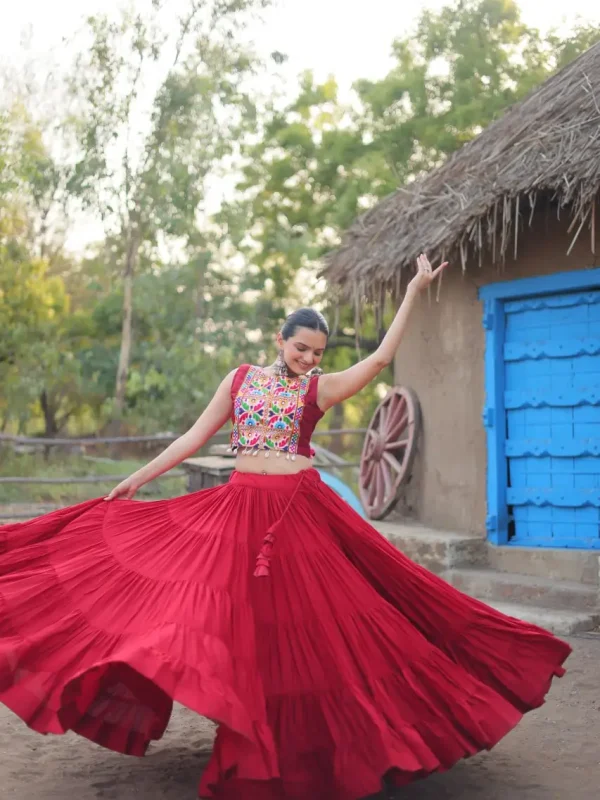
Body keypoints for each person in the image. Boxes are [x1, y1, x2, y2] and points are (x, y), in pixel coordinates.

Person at [0, 254, 571, 800]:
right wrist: (137, 478)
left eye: (318, 352)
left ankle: (311, 742)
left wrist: (413, 295)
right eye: (301, 348)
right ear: (280, 339)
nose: (309, 359)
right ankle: (248, 728)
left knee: (310, 628)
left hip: (298, 516)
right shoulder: (241, 378)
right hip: (239, 509)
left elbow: (376, 363)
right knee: (207, 613)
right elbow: (192, 438)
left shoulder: (316, 389)